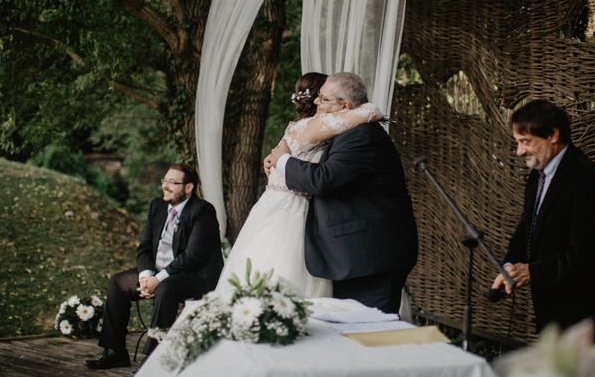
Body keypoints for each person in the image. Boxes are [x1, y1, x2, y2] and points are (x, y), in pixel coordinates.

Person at [217, 72, 384, 298]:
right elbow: (370, 111)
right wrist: (367, 110)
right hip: (295, 213)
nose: (319, 102)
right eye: (321, 97)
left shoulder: (295, 129)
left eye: (324, 99)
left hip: (270, 210)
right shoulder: (319, 126)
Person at [269, 72, 418, 314]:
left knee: (369, 336)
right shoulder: (346, 133)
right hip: (353, 256)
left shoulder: (362, 136)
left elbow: (323, 179)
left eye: (325, 99)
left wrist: (283, 160)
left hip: (371, 258)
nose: (317, 102)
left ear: (345, 106)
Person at [490, 99, 595, 346]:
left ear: (553, 134)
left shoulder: (586, 180)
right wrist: (508, 266)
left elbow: (587, 256)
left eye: (526, 142)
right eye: (518, 142)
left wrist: (531, 271)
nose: (519, 152)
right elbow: (527, 230)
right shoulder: (537, 176)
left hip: (587, 320)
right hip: (554, 317)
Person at [84, 163, 223, 369]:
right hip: (158, 272)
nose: (165, 186)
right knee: (117, 283)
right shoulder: (157, 206)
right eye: (164, 181)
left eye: (172, 182)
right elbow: (144, 247)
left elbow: (193, 256)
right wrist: (145, 277)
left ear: (188, 188)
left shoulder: (203, 211)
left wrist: (157, 280)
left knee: (165, 289)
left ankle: (154, 361)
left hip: (195, 276)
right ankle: (115, 352)